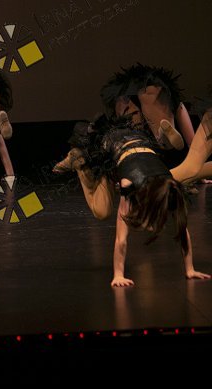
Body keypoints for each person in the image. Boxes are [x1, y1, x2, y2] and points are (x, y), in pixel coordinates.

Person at [54, 111, 212, 287]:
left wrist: (190, 269)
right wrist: (118, 275)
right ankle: (78, 160)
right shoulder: (129, 185)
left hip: (138, 142)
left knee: (186, 172)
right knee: (102, 211)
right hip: (107, 146)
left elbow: (183, 233)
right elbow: (121, 239)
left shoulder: (171, 190)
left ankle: (163, 136)